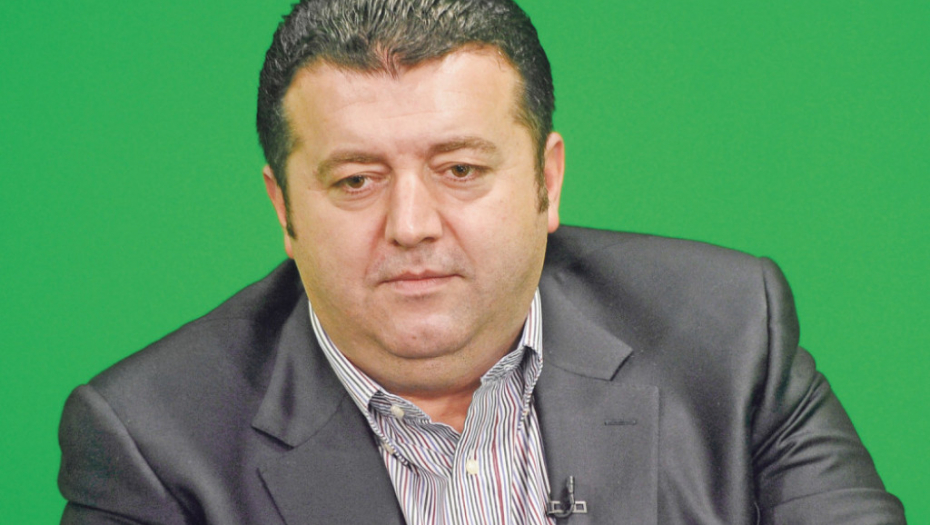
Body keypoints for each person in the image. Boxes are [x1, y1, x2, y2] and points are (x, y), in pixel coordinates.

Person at [57, 0, 906, 523]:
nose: (411, 225)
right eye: (355, 180)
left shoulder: (728, 333)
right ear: (284, 208)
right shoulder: (153, 445)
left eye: (460, 169)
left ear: (547, 180)